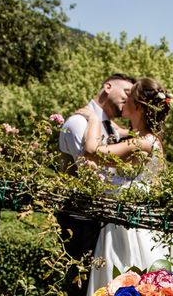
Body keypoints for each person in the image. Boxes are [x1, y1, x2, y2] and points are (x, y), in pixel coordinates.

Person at [76, 77, 173, 294]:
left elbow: (92, 151)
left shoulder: (142, 143)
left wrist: (93, 119)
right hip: (139, 221)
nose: (124, 100)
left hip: (128, 226)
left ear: (137, 106)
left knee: (133, 274)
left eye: (129, 96)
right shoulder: (150, 140)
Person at [57, 73, 136, 296]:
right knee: (81, 288)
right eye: (127, 93)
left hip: (106, 222)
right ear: (108, 87)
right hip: (81, 222)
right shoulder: (78, 122)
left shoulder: (112, 127)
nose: (129, 100)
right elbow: (91, 174)